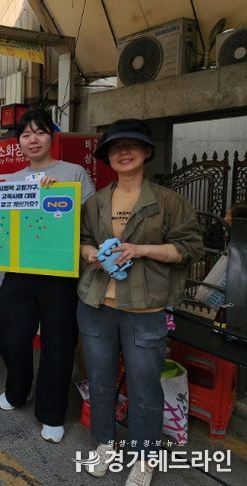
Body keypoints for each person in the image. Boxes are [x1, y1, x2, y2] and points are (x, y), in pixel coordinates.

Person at [77, 118, 203, 484]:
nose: (123, 152)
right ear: (108, 157)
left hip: (145, 309)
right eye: (115, 148)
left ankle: (145, 456)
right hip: (96, 304)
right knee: (100, 380)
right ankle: (105, 444)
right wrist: (89, 254)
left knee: (145, 386)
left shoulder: (168, 201)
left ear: (147, 152)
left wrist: (142, 249)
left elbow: (190, 247)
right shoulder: (96, 202)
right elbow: (81, 239)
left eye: (131, 145)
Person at [0, 109, 95, 443]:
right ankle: (17, 390)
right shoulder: (10, 180)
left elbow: (91, 220)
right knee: (11, 336)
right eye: (25, 135)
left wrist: (59, 195)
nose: (32, 140)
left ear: (52, 137)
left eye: (39, 132)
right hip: (19, 272)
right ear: (18, 142)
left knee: (58, 343)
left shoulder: (74, 173)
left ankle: (51, 413)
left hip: (59, 274)